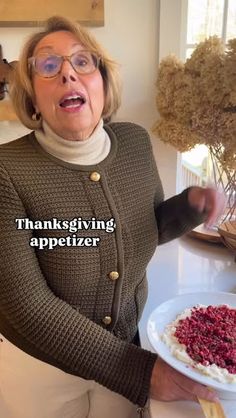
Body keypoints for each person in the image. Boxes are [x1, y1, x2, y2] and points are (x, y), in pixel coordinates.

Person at [0, 16, 226, 418]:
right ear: (32, 96)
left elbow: (142, 229)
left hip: (127, 343)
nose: (68, 72)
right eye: (48, 66)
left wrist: (189, 207)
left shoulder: (136, 144)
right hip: (41, 372)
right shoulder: (7, 171)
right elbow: (26, 304)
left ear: (103, 82)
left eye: (82, 61)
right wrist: (139, 372)